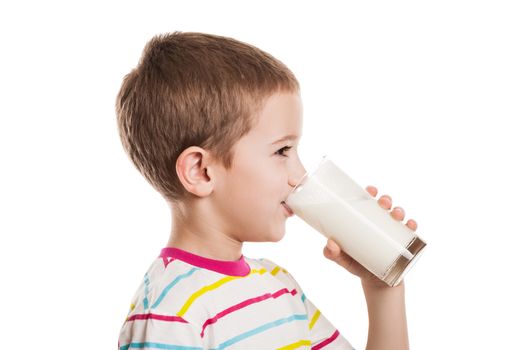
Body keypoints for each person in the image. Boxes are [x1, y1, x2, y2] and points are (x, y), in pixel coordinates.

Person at [115, 31, 418, 350]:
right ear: (201, 171)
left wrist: (383, 289)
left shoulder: (278, 287)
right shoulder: (171, 315)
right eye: (282, 151)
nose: (299, 175)